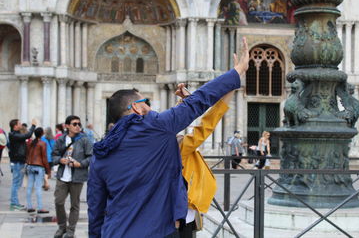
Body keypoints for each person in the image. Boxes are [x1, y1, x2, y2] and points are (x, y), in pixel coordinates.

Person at [87, 38, 249, 237]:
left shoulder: (101, 152)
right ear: (136, 107)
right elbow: (199, 102)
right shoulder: (156, 127)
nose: (149, 105)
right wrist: (237, 72)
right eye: (145, 101)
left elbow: (95, 207)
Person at [177, 88, 234, 237]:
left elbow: (173, 120)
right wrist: (232, 87)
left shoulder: (155, 143)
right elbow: (207, 125)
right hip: (180, 217)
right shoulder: (179, 147)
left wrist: (187, 103)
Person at [52, 115, 93, 238]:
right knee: (59, 202)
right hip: (62, 176)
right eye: (74, 124)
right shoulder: (60, 140)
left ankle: (71, 231)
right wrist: (60, 160)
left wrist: (80, 164)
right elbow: (53, 156)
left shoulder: (84, 139)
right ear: (67, 126)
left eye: (79, 124)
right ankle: (61, 227)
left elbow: (91, 157)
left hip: (77, 177)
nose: (77, 126)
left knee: (74, 205)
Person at [8, 118, 36, 211]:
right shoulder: (13, 135)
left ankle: (15, 202)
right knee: (16, 183)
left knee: (17, 183)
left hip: (20, 161)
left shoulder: (16, 134)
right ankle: (14, 203)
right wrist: (33, 126)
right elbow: (27, 135)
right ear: (15, 126)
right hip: (17, 162)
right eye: (19, 123)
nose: (21, 125)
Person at [26, 127, 51, 213]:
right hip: (38, 166)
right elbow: (44, 158)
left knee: (29, 187)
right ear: (42, 134)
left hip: (30, 166)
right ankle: (40, 208)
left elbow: (27, 155)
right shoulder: (42, 143)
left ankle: (29, 206)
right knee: (38, 187)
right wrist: (48, 170)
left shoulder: (30, 143)